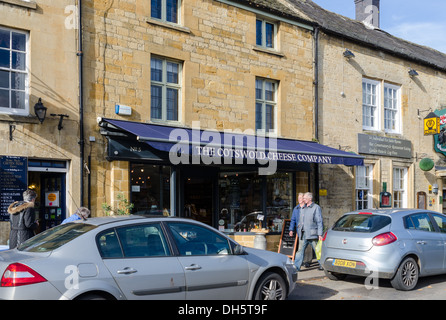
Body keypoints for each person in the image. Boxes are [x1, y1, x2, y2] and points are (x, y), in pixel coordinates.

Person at [293, 192, 324, 271]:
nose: (303, 200)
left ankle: (323, 265)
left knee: (317, 250)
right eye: (303, 198)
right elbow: (300, 219)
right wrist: (299, 226)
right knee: (300, 251)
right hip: (303, 233)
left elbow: (319, 221)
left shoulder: (316, 207)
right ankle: (296, 267)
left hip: (312, 233)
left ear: (310, 199)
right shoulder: (303, 208)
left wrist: (320, 234)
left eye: (305, 198)